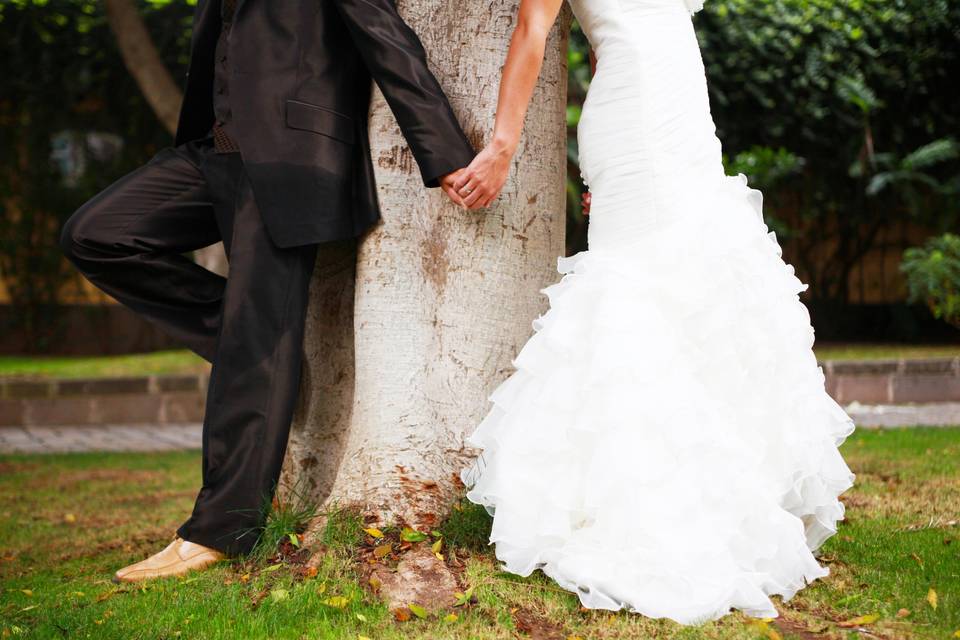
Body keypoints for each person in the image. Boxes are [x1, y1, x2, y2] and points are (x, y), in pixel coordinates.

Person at [457, 0, 855, 624]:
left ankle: (716, 492)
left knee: (701, 292)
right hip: (636, 115)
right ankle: (640, 499)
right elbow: (534, 26)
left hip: (686, 123)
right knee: (641, 298)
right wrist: (503, 147)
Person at [59, 0, 474, 583]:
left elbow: (388, 37)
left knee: (257, 337)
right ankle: (264, 358)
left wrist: (448, 156)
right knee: (95, 234)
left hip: (291, 159)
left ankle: (219, 530)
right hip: (210, 154)